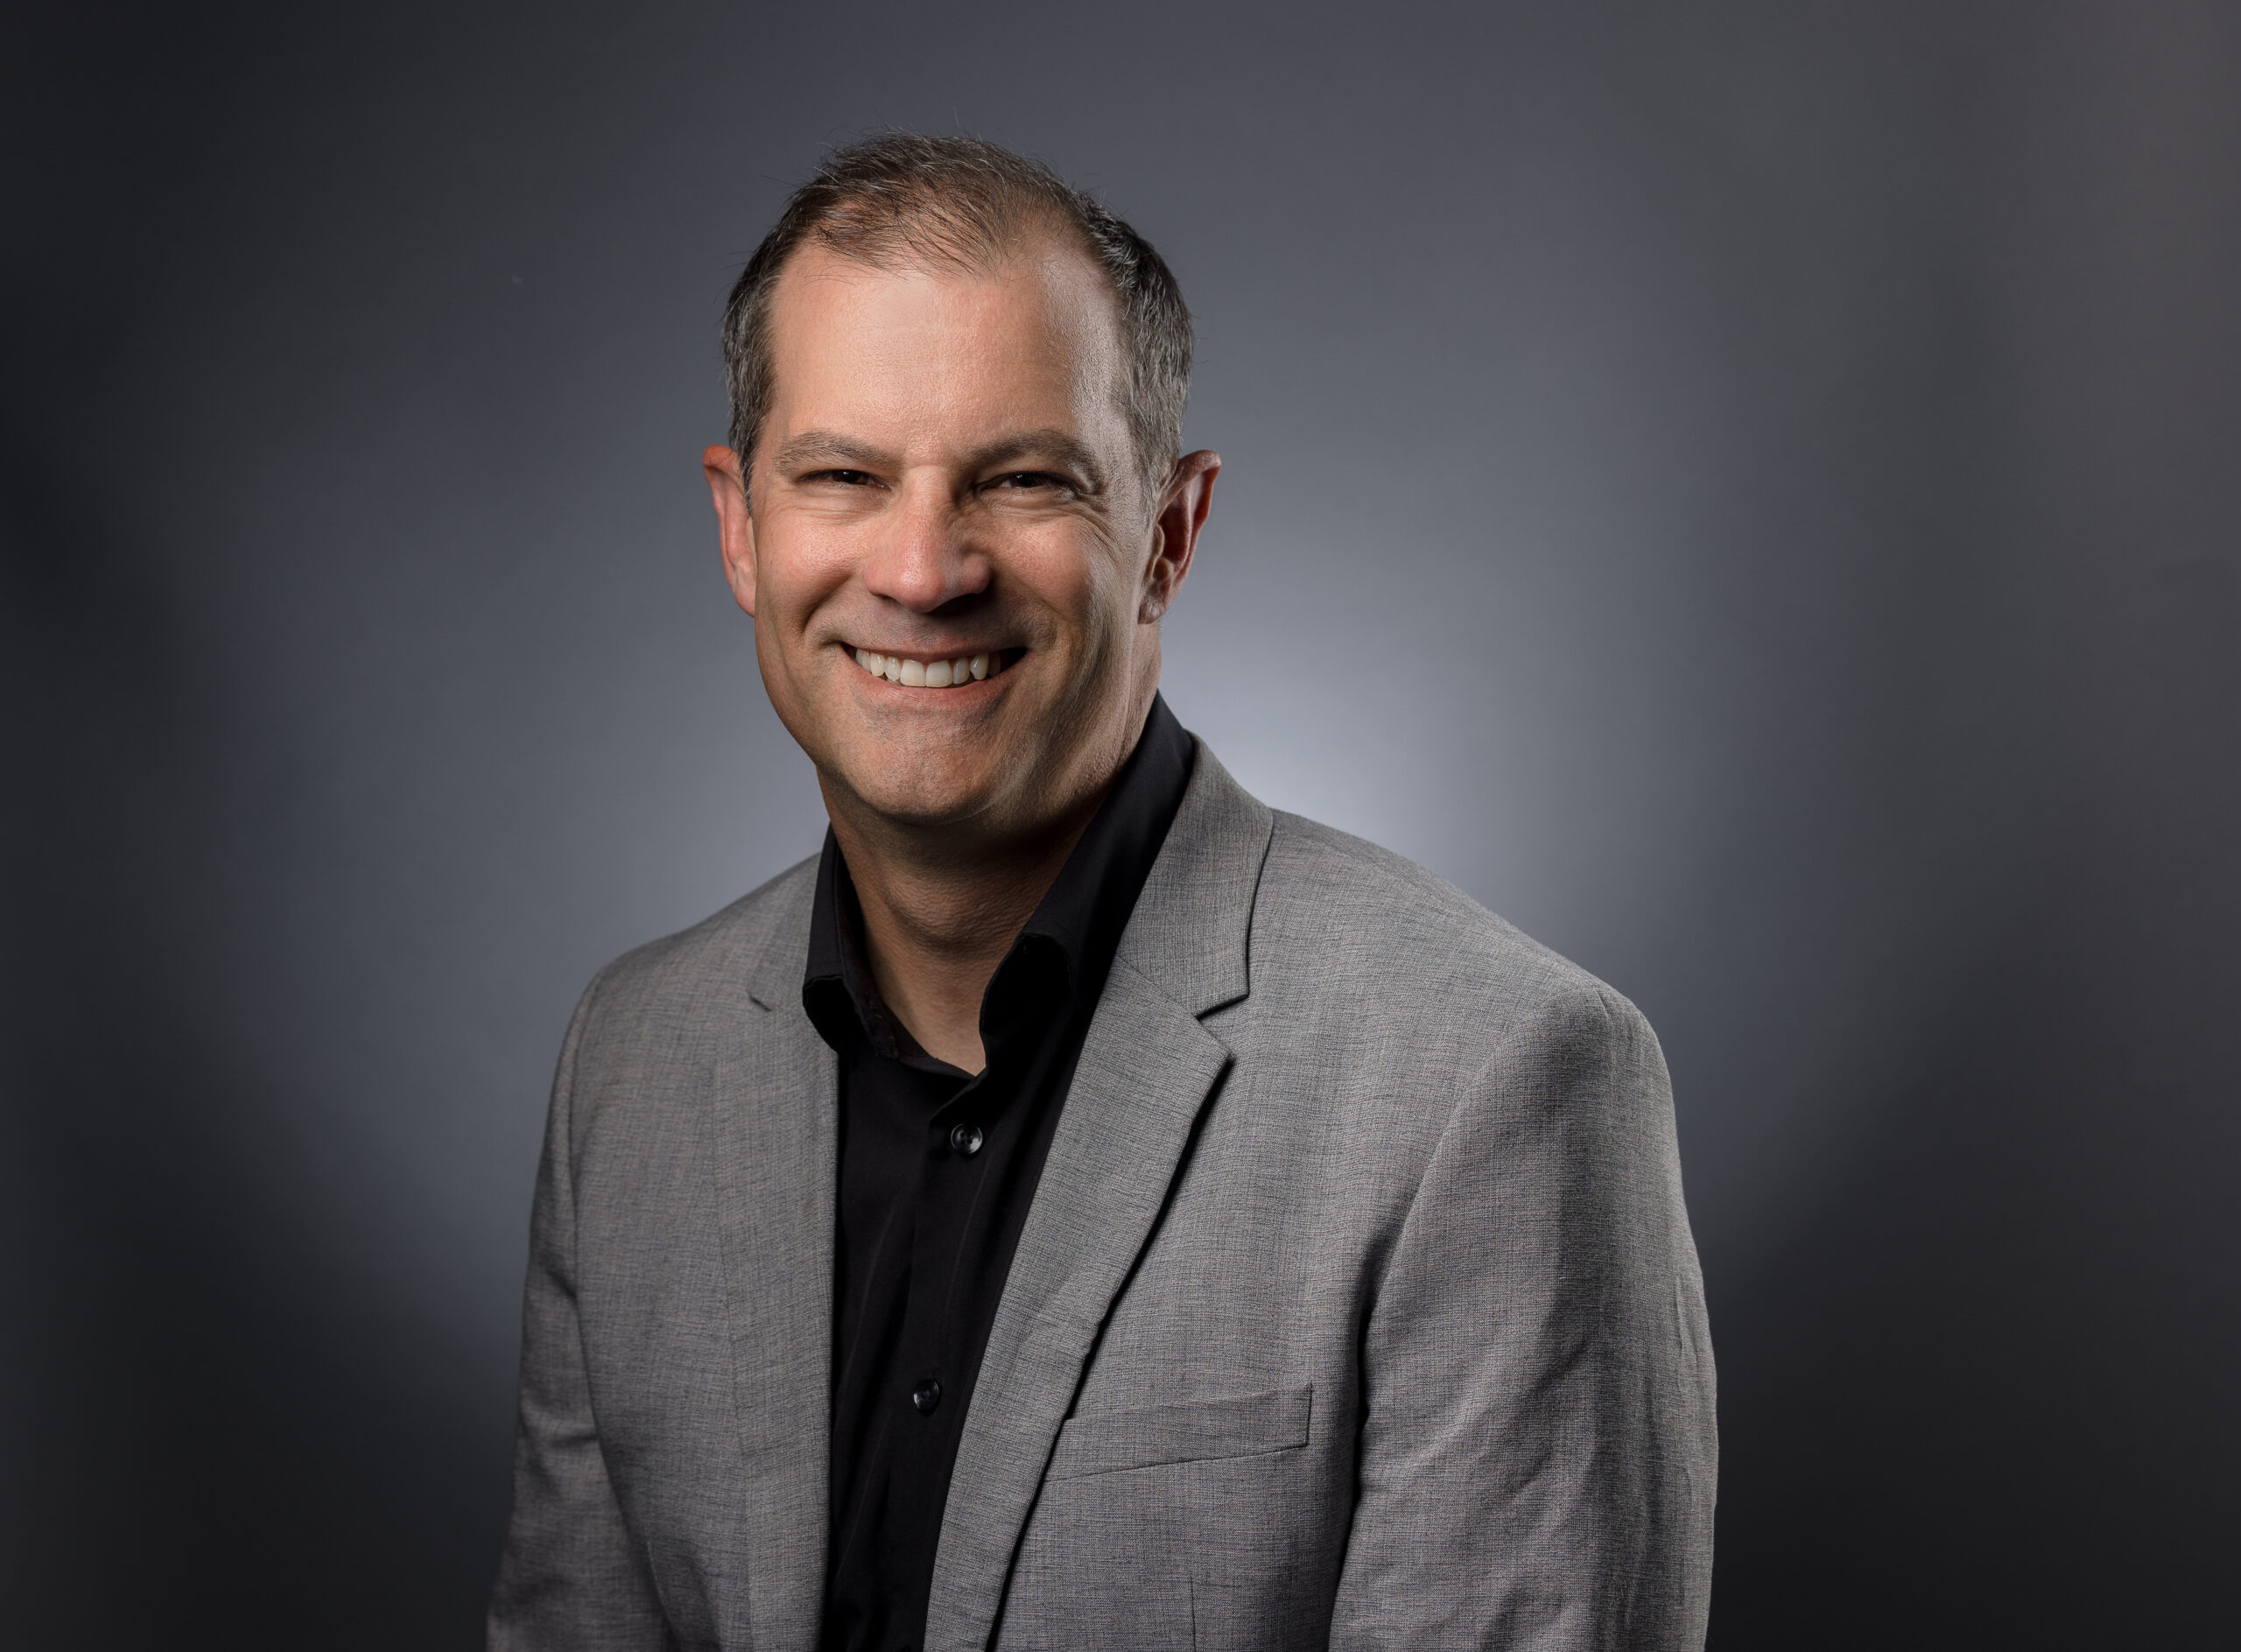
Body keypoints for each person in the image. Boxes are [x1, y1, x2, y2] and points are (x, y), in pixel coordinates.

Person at [488, 135, 1715, 1652]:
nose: (925, 568)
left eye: (1020, 480)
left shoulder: (1498, 1087)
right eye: (845, 477)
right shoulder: (631, 1067)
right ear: (743, 527)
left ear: (1170, 534)